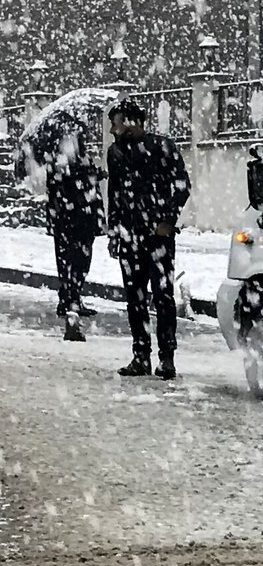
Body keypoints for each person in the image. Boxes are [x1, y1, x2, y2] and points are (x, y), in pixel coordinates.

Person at [106, 99, 190, 379]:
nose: (112, 130)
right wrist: (114, 231)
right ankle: (140, 355)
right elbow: (115, 193)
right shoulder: (115, 152)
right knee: (135, 297)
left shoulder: (162, 147)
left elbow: (182, 186)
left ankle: (167, 358)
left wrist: (167, 220)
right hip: (129, 234)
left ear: (131, 122)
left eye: (115, 124)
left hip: (158, 236)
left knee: (163, 297)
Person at [22, 114, 103, 341]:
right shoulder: (59, 161)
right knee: (69, 259)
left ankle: (73, 297)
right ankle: (69, 299)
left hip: (82, 218)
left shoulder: (79, 158)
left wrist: (94, 175)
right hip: (69, 219)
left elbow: (83, 183)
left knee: (81, 259)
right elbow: (64, 187)